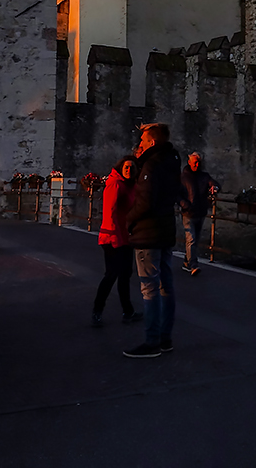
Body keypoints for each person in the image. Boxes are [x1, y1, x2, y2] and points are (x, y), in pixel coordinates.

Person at [118, 123, 182, 358]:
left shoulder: (151, 165)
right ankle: (165, 339)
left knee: (149, 289)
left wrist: (128, 220)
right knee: (166, 285)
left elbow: (145, 202)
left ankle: (152, 341)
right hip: (165, 230)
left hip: (149, 233)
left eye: (143, 141)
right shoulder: (172, 160)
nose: (139, 145)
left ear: (152, 143)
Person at [92, 156, 141, 325]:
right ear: (121, 168)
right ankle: (97, 311)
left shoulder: (132, 186)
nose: (129, 170)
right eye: (126, 167)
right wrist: (114, 236)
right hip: (112, 236)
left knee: (125, 274)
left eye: (132, 167)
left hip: (126, 236)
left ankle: (128, 311)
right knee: (111, 274)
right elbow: (110, 212)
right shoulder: (115, 185)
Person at [178, 152, 219, 275]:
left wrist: (214, 188)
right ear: (189, 162)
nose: (196, 164)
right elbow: (177, 193)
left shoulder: (204, 176)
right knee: (191, 239)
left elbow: (214, 183)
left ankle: (187, 261)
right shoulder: (183, 177)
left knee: (195, 240)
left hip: (200, 212)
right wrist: (185, 204)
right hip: (189, 213)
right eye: (194, 162)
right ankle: (193, 265)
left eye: (198, 162)